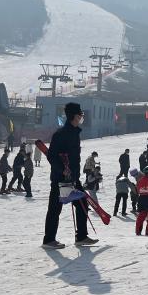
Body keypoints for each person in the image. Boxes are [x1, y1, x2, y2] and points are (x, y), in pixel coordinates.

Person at [43, 102, 97, 249]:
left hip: (73, 178)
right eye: (80, 115)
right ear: (74, 116)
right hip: (60, 179)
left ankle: (81, 237)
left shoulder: (74, 133)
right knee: (55, 208)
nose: (82, 117)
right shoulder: (61, 134)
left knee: (82, 203)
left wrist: (74, 174)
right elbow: (52, 156)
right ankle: (49, 240)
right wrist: (62, 170)